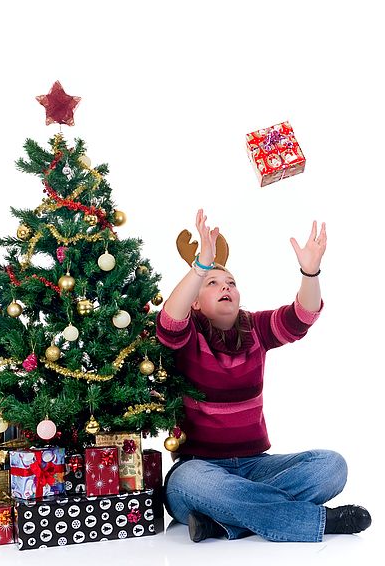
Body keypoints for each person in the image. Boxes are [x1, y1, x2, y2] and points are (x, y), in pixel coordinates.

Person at [156, 208, 371, 543]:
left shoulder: (255, 328)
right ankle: (317, 522)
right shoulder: (188, 335)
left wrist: (310, 272)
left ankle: (227, 524)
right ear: (195, 302)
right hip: (199, 468)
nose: (225, 287)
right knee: (194, 485)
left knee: (332, 467)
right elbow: (169, 320)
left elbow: (302, 316)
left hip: (257, 465)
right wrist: (202, 265)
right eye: (213, 284)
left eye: (231, 283)